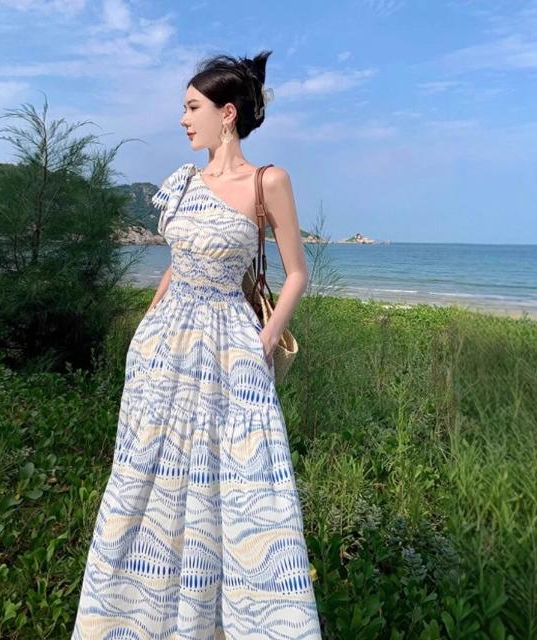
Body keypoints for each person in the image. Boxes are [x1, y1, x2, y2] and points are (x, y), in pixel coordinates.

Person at [71, 50, 322, 639]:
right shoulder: (183, 182)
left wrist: (263, 341)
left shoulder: (268, 181)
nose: (183, 119)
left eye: (192, 107)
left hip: (230, 350)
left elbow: (297, 274)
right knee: (147, 480)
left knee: (236, 483)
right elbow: (175, 266)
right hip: (163, 350)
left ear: (226, 113)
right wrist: (144, 330)